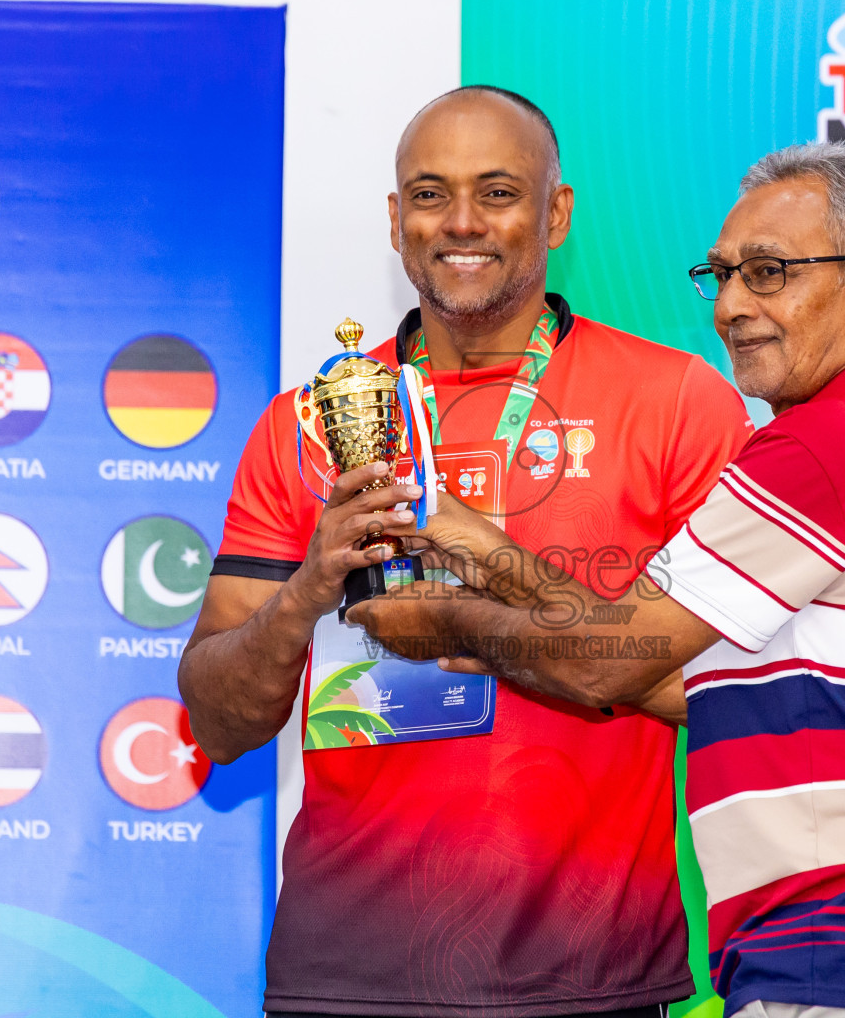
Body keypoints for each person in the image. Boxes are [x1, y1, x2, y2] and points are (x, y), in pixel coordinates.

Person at [351, 142, 845, 1018]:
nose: (734, 308)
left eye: (770, 273)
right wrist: (485, 550)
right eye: (723, 277)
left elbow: (610, 661)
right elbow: (661, 664)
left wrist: (449, 623)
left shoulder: (825, 447)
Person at [178, 85, 751, 1018]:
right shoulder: (307, 423)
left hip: (589, 971)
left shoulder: (678, 402)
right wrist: (306, 594)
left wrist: (480, 621)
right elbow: (215, 722)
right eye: (432, 194)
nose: (462, 223)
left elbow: (722, 693)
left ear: (556, 213)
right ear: (397, 221)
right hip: (347, 973)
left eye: (497, 192)